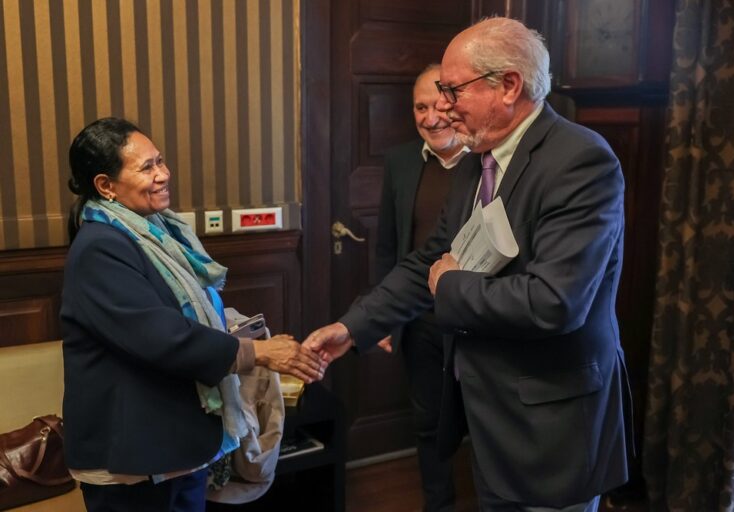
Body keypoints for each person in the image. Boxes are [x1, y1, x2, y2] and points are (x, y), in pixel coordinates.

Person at [305, 17, 630, 512]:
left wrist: (450, 285)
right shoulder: (477, 160)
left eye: (452, 90)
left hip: (551, 424)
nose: (445, 108)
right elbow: (426, 261)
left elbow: (555, 303)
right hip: (491, 411)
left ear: (508, 86)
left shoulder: (580, 161)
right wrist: (352, 328)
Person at [60, 117, 326, 512]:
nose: (163, 175)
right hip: (133, 458)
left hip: (171, 447)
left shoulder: (156, 232)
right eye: (147, 167)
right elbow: (164, 337)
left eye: (160, 161)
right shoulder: (101, 248)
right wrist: (258, 353)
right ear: (105, 186)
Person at [375, 63, 469, 512]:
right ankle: (440, 504)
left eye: (441, 105)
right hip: (419, 318)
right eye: (420, 106)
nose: (430, 118)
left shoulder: (488, 163)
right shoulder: (399, 162)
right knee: (428, 420)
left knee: (482, 421)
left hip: (478, 318)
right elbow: (388, 247)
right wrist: (383, 317)